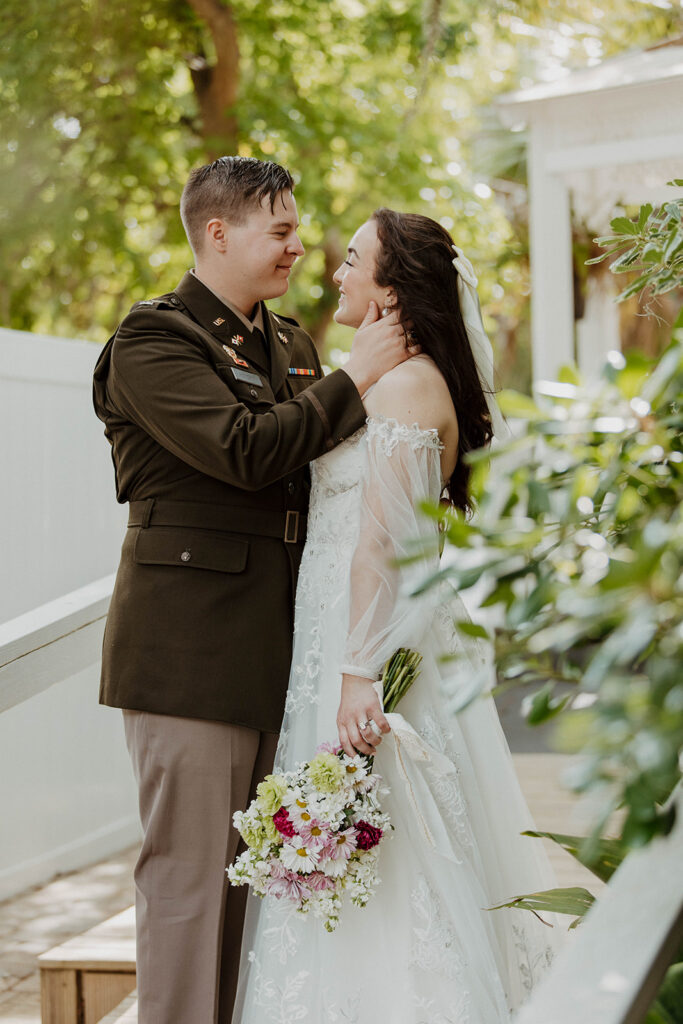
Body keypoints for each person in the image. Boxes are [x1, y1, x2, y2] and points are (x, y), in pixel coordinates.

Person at [92, 158, 417, 1024]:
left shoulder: (294, 345)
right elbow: (243, 451)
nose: (298, 247)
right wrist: (357, 376)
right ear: (218, 233)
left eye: (298, 228)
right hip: (190, 656)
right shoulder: (152, 341)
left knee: (267, 892)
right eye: (280, 230)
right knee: (191, 886)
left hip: (285, 653)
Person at [232, 209, 564, 1023]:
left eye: (353, 261)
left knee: (394, 847)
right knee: (357, 841)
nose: (335, 272)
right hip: (336, 641)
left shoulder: (413, 387)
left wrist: (357, 675)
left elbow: (383, 543)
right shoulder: (380, 378)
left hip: (369, 653)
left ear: (391, 290)